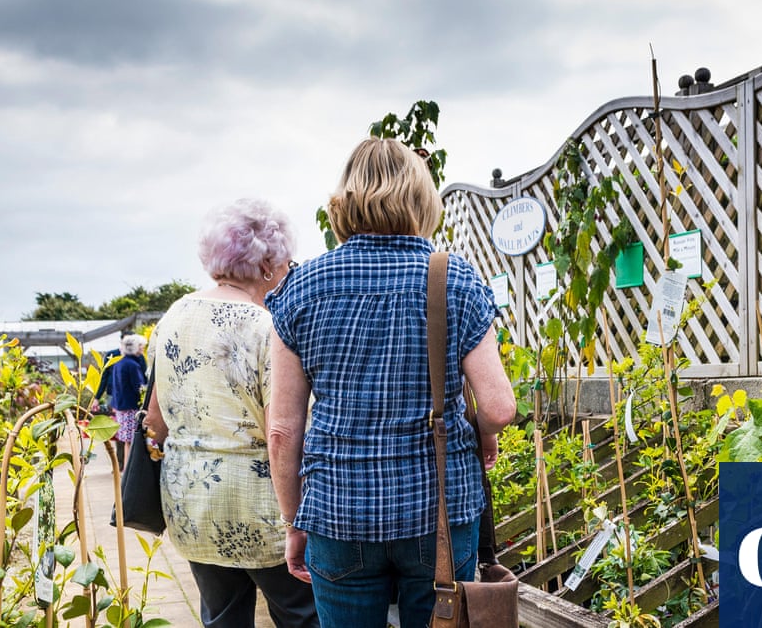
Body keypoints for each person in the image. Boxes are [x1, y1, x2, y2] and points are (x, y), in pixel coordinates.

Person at [265, 137, 516, 627]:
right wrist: (483, 435)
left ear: (345, 201)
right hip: (438, 513)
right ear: (422, 199)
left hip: (338, 513)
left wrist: (295, 522)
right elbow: (500, 407)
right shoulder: (454, 278)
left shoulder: (301, 288)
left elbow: (282, 432)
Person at [142, 198, 319, 628]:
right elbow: (280, 432)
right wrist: (298, 515)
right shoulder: (266, 325)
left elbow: (154, 423)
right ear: (265, 265)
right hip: (261, 510)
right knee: (301, 615)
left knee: (221, 618)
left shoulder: (173, 316)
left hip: (192, 505)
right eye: (284, 262)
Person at [110, 333, 147, 471]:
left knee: (127, 441)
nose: (143, 349)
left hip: (121, 406)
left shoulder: (119, 363)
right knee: (132, 441)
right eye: (141, 346)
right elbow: (140, 387)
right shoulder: (132, 365)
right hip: (131, 407)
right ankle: (130, 471)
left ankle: (127, 470)